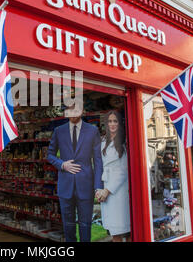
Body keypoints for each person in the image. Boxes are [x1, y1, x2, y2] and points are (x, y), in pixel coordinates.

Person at [47, 103, 103, 242]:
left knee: (85, 225)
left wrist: (98, 186)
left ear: (82, 111)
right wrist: (62, 164)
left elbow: (98, 160)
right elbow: (50, 155)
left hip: (86, 185)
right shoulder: (59, 131)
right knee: (68, 225)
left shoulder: (92, 130)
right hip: (65, 185)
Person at [96, 110, 131, 242]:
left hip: (119, 190)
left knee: (125, 231)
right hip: (106, 187)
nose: (112, 124)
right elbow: (99, 166)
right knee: (114, 232)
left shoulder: (124, 142)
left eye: (115, 121)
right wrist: (99, 189)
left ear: (120, 123)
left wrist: (107, 190)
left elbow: (123, 170)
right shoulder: (103, 141)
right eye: (110, 121)